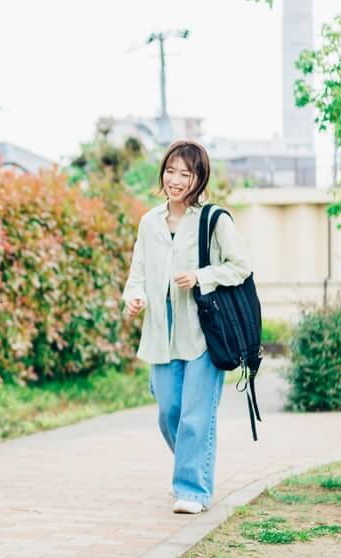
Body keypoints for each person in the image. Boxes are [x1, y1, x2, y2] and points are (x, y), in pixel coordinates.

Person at [122, 140, 251, 515]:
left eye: (186, 173)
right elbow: (138, 274)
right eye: (171, 171)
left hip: (204, 334)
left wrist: (200, 276)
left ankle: (192, 489)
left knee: (196, 416)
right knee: (169, 413)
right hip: (161, 333)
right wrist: (134, 297)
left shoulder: (214, 220)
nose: (176, 180)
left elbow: (241, 266)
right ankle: (192, 465)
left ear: (199, 179)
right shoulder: (149, 222)